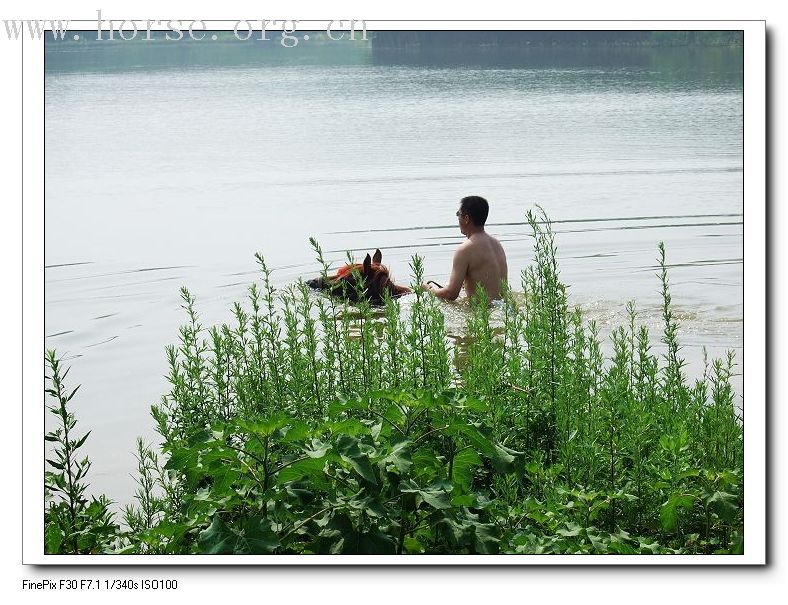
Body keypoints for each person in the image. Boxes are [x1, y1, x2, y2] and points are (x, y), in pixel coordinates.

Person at [422, 195, 508, 301]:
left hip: (482, 312)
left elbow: (451, 294)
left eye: (458, 214)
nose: (458, 218)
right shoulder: (497, 244)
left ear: (466, 218)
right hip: (504, 308)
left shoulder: (465, 250)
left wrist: (429, 289)